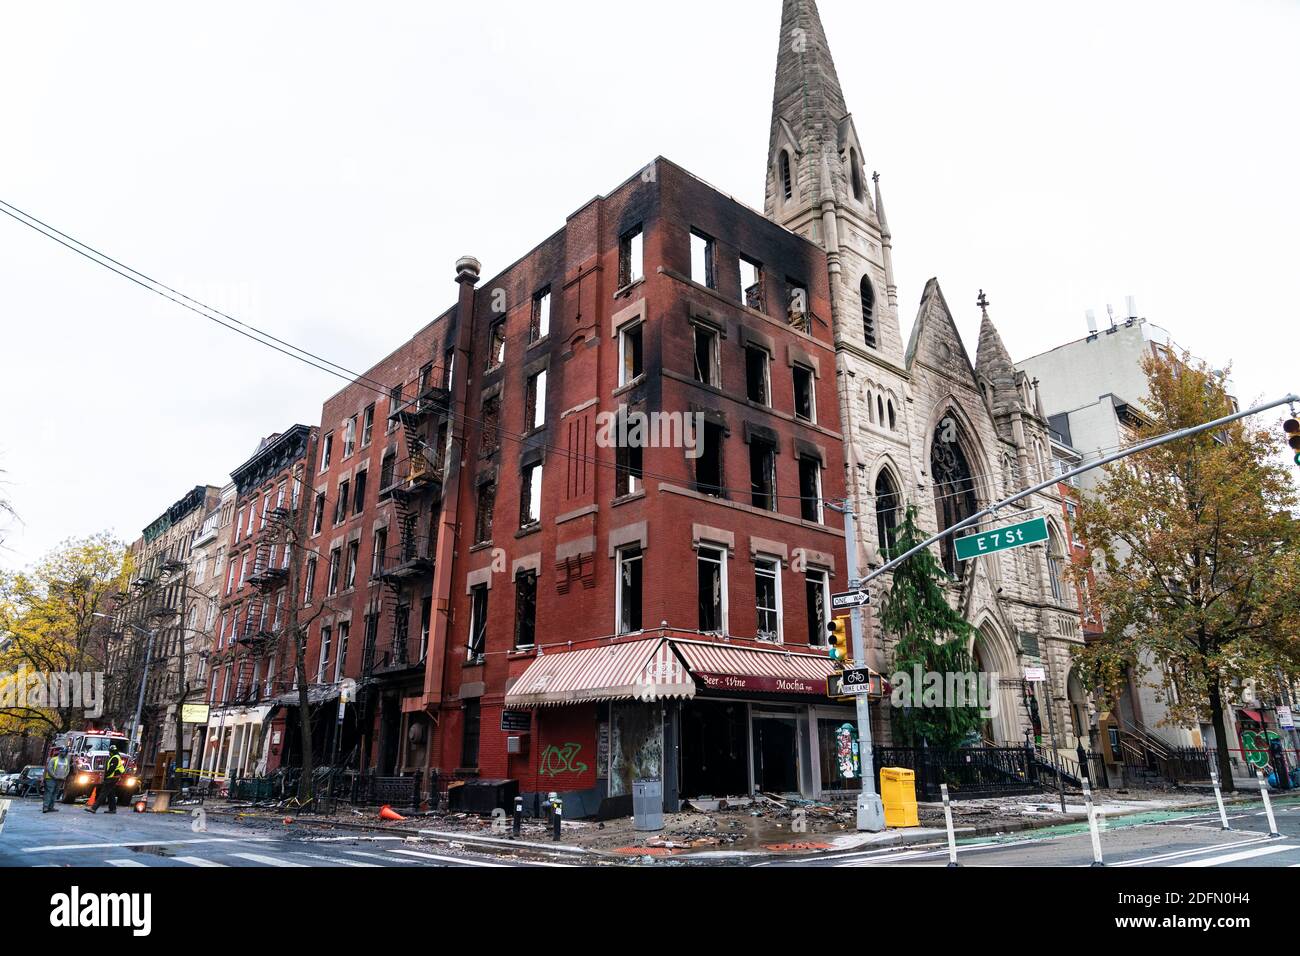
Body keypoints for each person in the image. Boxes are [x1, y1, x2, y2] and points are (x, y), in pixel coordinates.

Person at [85, 744, 125, 814]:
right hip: (114, 778)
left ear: (111, 751)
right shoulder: (116, 757)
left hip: (111, 778)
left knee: (103, 793)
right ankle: (112, 809)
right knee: (111, 794)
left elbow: (111, 769)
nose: (109, 753)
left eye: (110, 751)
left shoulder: (115, 758)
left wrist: (106, 777)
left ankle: (93, 808)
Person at [42, 747, 70, 813]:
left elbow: (67, 770)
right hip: (51, 779)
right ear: (60, 752)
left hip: (60, 779)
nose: (63, 753)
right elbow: (49, 769)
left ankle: (51, 807)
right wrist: (54, 776)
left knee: (55, 793)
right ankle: (45, 807)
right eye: (62, 752)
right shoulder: (54, 759)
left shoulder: (66, 760)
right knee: (49, 792)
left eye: (64, 752)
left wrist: (64, 776)